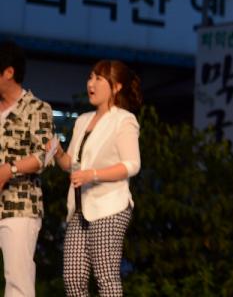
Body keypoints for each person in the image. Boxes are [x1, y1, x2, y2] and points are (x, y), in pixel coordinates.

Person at [54, 60, 142, 297]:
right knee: (73, 277)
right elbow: (70, 164)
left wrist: (92, 174)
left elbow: (132, 165)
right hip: (80, 207)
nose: (91, 84)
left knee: (105, 274)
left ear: (116, 87)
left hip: (110, 206)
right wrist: (56, 150)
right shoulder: (82, 120)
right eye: (90, 77)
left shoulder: (124, 120)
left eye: (98, 79)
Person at [0, 41, 55, 297]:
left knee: (17, 280)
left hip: (19, 205)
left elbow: (47, 154)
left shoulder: (37, 108)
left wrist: (9, 170)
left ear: (8, 72)